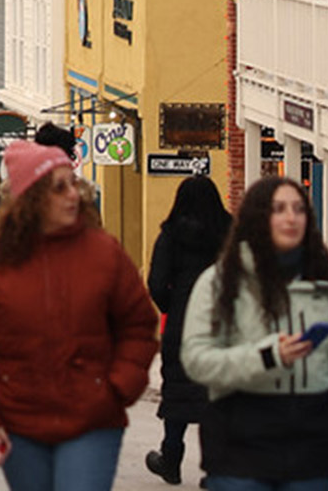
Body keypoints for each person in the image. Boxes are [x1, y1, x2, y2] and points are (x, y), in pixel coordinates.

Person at [0, 140, 158, 490]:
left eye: (73, 183)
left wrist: (117, 387)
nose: (72, 195)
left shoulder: (104, 253)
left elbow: (137, 326)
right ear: (31, 197)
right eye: (58, 187)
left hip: (92, 421)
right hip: (19, 423)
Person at [180, 175, 328, 490]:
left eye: (298, 209)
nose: (291, 217)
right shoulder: (220, 282)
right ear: (257, 217)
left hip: (313, 444)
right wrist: (267, 355)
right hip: (240, 439)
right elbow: (197, 360)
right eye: (279, 209)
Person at [142, 174, 232, 485]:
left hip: (183, 321)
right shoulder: (230, 232)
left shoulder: (171, 235)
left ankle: (171, 458)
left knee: (179, 391)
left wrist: (171, 305)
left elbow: (155, 282)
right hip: (222, 322)